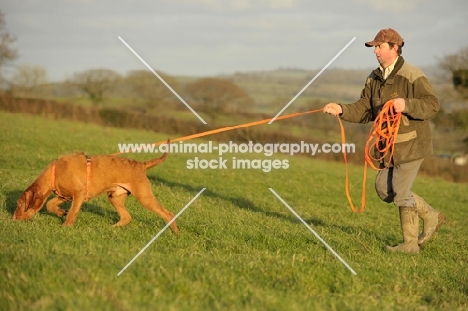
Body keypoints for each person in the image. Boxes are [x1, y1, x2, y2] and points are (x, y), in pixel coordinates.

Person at [323, 28, 445, 254]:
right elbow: (364, 109)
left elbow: (432, 104)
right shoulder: (374, 77)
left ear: (394, 47)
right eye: (374, 47)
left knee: (399, 190)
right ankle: (432, 215)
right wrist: (341, 109)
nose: (375, 51)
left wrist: (406, 105)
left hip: (412, 144)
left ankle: (410, 245)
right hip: (387, 147)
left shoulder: (412, 74)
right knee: (382, 189)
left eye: (379, 46)